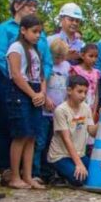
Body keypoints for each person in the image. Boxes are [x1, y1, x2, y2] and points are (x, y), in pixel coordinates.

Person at [0, 0, 52, 178]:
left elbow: (46, 62)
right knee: (5, 127)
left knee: (30, 131)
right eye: (29, 5)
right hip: (9, 85)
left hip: (35, 87)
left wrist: (41, 89)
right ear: (17, 5)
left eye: (35, 5)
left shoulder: (40, 35)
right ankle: (6, 170)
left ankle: (28, 173)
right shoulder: (5, 29)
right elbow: (1, 57)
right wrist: (21, 81)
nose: (33, 8)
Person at [6, 15, 46, 190]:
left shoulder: (35, 50)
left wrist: (41, 93)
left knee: (31, 136)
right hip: (21, 93)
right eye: (34, 31)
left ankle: (28, 176)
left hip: (35, 91)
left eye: (40, 32)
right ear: (23, 30)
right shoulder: (16, 48)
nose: (37, 35)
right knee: (21, 135)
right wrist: (32, 94)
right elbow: (16, 74)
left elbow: (41, 75)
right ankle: (15, 176)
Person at [47, 75, 101, 187]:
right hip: (60, 155)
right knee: (80, 179)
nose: (83, 95)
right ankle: (57, 174)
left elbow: (92, 132)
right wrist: (79, 164)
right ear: (69, 90)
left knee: (100, 173)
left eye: (85, 92)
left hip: (80, 154)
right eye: (79, 92)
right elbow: (66, 139)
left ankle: (66, 174)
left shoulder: (86, 108)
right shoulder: (61, 110)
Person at [37, 39, 72, 183]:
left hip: (59, 111)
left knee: (55, 142)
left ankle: (52, 173)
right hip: (45, 110)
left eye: (61, 57)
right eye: (56, 57)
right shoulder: (46, 66)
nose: (59, 60)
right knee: (41, 142)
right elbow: (40, 82)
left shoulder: (67, 66)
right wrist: (45, 98)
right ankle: (37, 172)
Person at [70, 44, 101, 115]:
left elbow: (96, 94)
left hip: (90, 107)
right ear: (82, 55)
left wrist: (94, 111)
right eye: (91, 56)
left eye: (96, 57)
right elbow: (71, 90)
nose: (94, 59)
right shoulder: (76, 70)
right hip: (76, 107)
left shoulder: (96, 73)